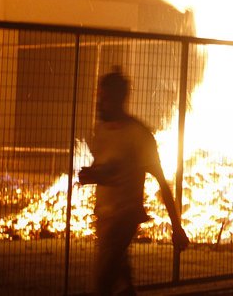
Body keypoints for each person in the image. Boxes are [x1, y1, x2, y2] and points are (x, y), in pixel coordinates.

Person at [79, 69, 189, 296]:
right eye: (99, 97)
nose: (99, 103)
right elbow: (109, 170)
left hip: (124, 218)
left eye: (105, 98)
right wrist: (94, 175)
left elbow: (161, 181)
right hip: (104, 217)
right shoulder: (101, 131)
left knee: (102, 282)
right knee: (122, 284)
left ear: (119, 100)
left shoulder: (139, 135)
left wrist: (176, 226)